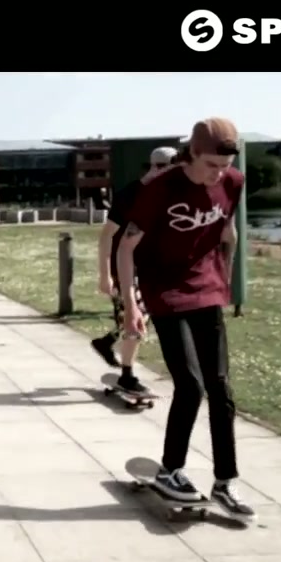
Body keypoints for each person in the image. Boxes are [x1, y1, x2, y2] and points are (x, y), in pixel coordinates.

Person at [115, 118, 253, 520]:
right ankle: (170, 470)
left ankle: (225, 481)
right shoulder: (160, 188)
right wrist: (131, 304)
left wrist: (224, 274)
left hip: (206, 287)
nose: (218, 174)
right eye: (211, 165)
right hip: (165, 291)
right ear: (191, 153)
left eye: (225, 165)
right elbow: (126, 247)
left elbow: (227, 229)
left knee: (220, 387)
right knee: (190, 385)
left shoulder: (233, 181)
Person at [90, 146, 180, 395]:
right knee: (135, 316)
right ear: (160, 167)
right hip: (125, 267)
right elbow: (106, 236)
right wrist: (104, 274)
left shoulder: (168, 192)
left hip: (151, 266)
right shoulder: (131, 194)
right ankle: (127, 375)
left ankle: (107, 342)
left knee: (141, 315)